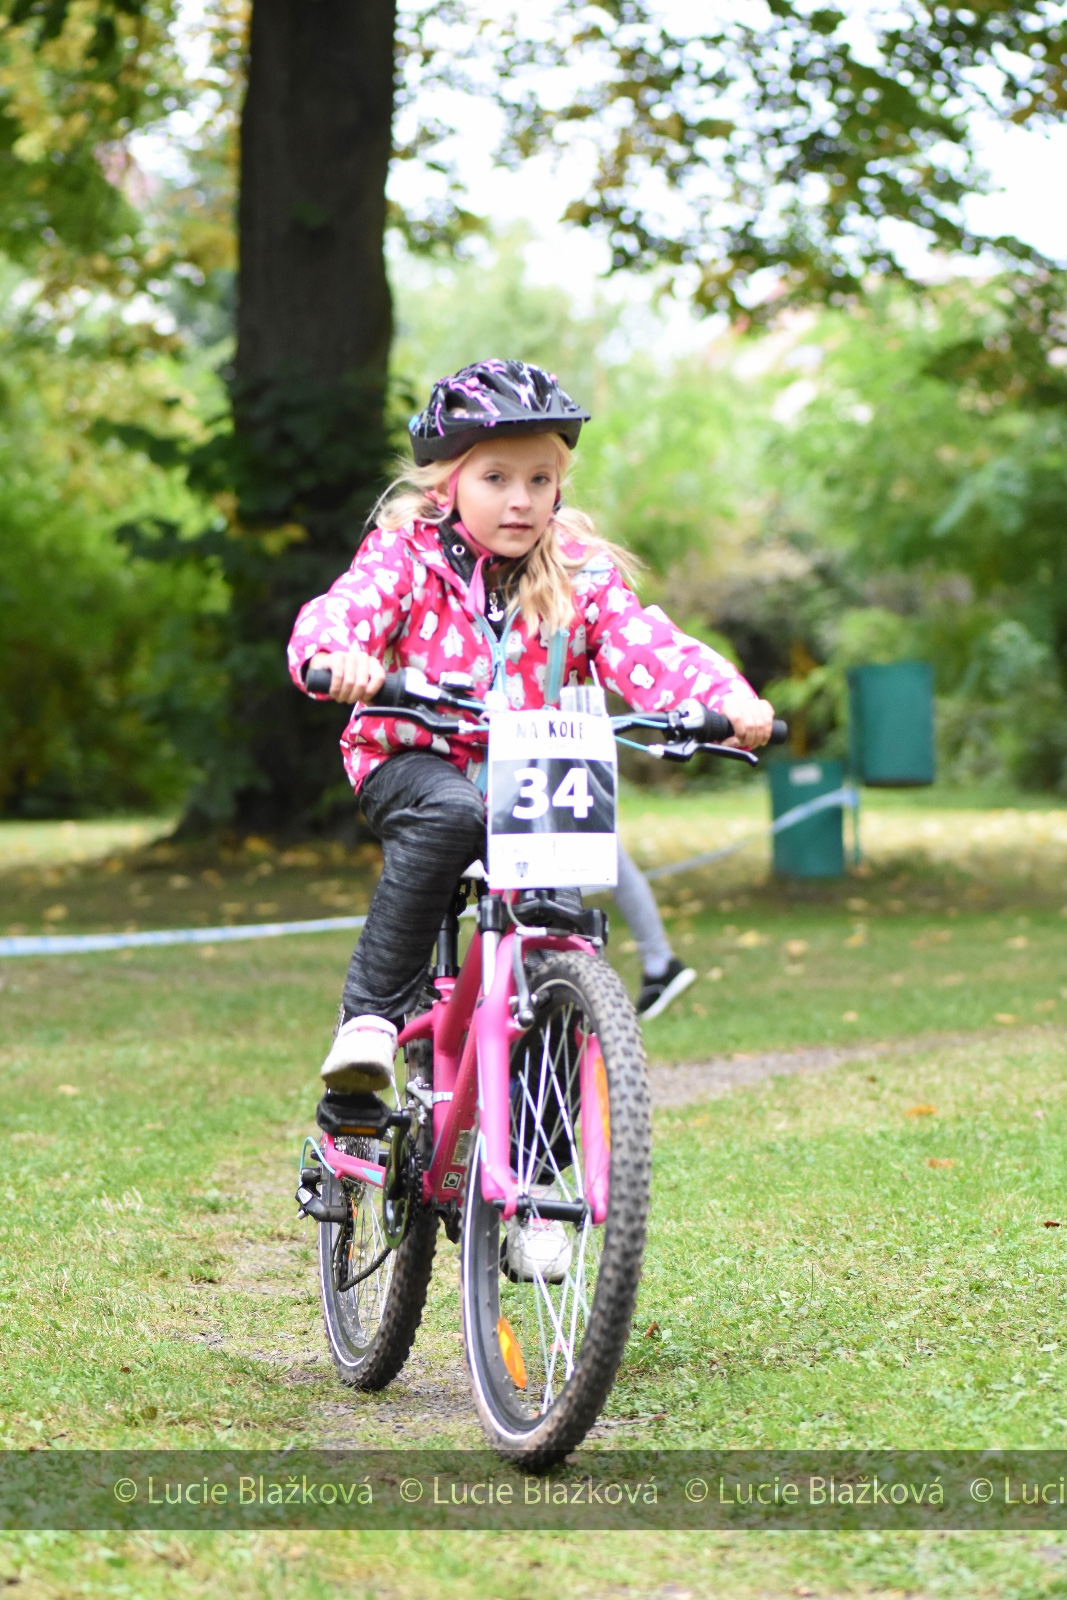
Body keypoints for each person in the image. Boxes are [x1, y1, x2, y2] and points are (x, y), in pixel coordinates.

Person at [288, 359, 774, 1094]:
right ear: (446, 484)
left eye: (540, 479)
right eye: (496, 478)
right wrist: (336, 656)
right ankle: (369, 1022)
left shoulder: (579, 571)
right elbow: (349, 606)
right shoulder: (406, 555)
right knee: (449, 815)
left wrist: (726, 699)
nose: (521, 500)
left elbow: (645, 645)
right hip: (415, 756)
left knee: (557, 926)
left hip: (533, 771)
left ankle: (549, 1147)